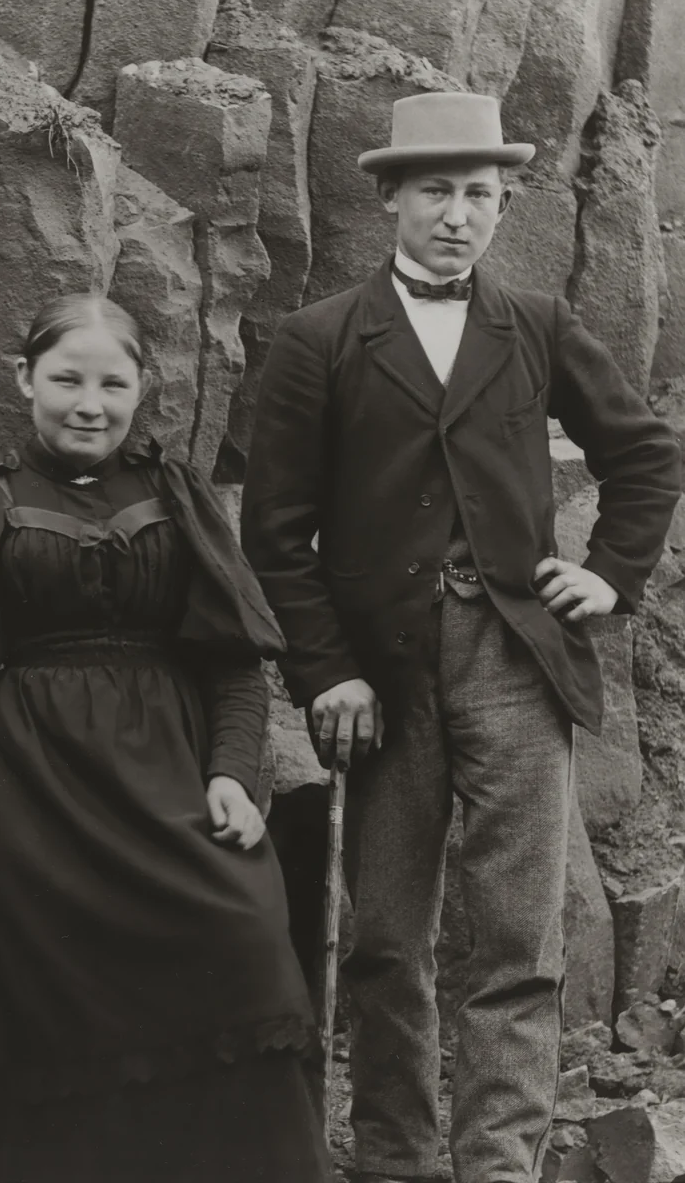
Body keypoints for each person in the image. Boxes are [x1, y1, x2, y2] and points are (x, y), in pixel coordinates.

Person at [240, 92, 682, 1183]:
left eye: (479, 195)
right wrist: (326, 671)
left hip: (518, 662)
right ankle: (394, 1154)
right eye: (435, 191)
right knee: (387, 937)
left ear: (502, 206)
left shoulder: (533, 323)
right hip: (381, 677)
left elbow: (646, 456)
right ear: (391, 195)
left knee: (519, 942)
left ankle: (497, 1164)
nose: (457, 216)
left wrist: (609, 577)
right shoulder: (320, 339)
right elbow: (274, 529)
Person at [0, 295, 330, 1183]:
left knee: (248, 958)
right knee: (54, 1038)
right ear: (24, 379)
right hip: (33, 810)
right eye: (67, 380)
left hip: (171, 791)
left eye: (113, 383)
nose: (90, 403)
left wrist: (234, 774)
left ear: (142, 388)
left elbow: (234, 665)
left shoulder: (173, 494)